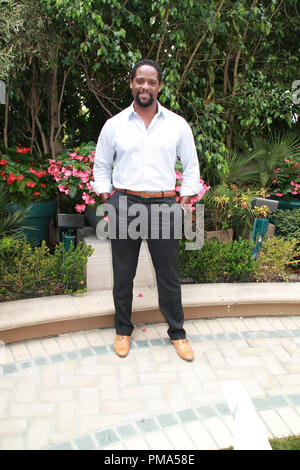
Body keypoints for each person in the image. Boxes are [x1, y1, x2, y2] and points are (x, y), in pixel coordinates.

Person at [91, 59, 201, 361]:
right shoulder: (114, 125)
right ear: (131, 83)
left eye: (151, 82)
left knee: (169, 274)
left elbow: (191, 168)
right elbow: (101, 165)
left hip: (165, 205)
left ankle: (177, 333)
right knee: (123, 274)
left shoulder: (178, 125)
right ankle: (122, 331)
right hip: (124, 204)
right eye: (140, 80)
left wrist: (183, 203)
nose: (145, 86)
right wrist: (106, 198)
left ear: (159, 86)